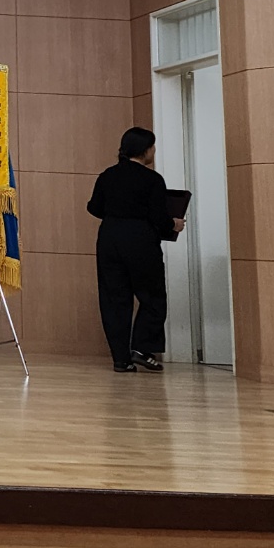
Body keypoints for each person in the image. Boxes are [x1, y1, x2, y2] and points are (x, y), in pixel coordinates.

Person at [87, 127, 185, 373]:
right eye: (152, 146)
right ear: (145, 150)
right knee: (152, 295)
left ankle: (121, 359)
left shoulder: (107, 175)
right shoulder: (152, 179)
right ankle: (142, 348)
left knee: (114, 298)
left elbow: (94, 207)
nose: (154, 151)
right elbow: (159, 217)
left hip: (109, 237)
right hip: (140, 239)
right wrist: (174, 224)